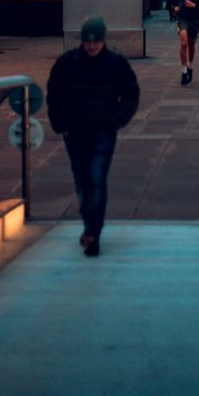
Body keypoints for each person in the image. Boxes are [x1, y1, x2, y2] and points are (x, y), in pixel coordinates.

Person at [46, 14, 141, 255]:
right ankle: (90, 225)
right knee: (82, 180)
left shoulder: (116, 64)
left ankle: (93, 232)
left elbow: (130, 95)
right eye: (88, 42)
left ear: (103, 40)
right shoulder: (67, 63)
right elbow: (54, 95)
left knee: (96, 178)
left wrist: (114, 122)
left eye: (96, 41)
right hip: (75, 131)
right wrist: (61, 123)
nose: (91, 46)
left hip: (102, 131)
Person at [170, 0, 199, 84]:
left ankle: (189, 65)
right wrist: (175, 8)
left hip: (194, 19)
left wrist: (195, 5)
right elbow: (173, 4)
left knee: (191, 44)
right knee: (184, 43)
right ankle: (184, 71)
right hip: (182, 18)